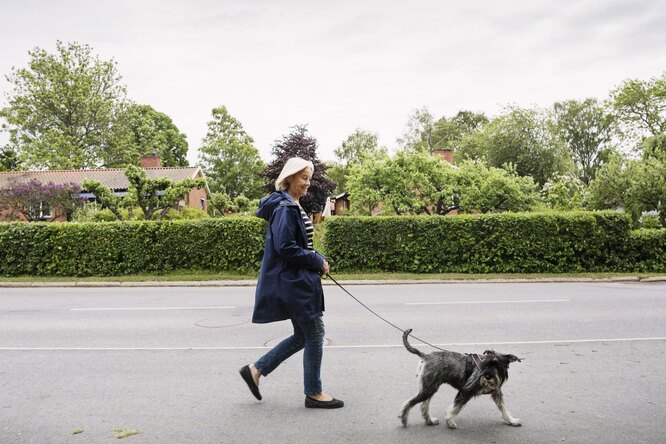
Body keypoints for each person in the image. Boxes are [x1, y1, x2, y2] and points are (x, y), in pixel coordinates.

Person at [239, 157, 344, 409]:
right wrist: (317, 260)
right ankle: (314, 392)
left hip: (297, 280)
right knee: (315, 333)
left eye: (309, 178)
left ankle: (255, 370)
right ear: (289, 179)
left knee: (301, 336)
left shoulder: (292, 204)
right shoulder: (286, 208)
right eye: (303, 178)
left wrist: (316, 259)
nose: (308, 183)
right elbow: (286, 247)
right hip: (294, 283)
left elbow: (299, 245)